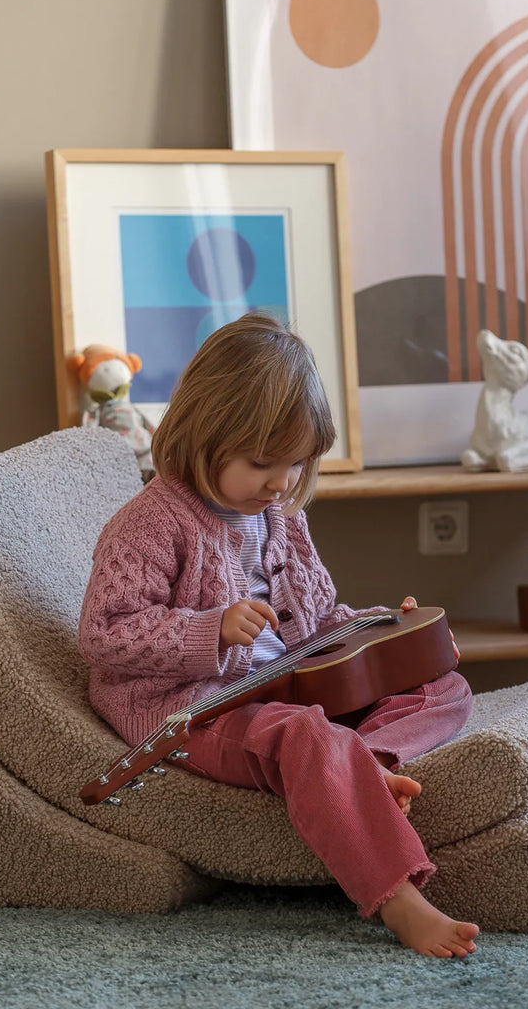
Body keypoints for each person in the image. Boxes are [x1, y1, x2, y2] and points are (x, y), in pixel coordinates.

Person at [79, 311, 480, 958]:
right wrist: (207, 630)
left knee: (445, 684)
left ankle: (365, 765)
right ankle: (397, 899)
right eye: (263, 462)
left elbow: (320, 620)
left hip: (291, 681)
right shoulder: (148, 524)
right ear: (197, 436)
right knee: (303, 735)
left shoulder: (278, 514)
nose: (282, 482)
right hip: (200, 707)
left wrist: (384, 630)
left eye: (296, 463)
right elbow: (104, 633)